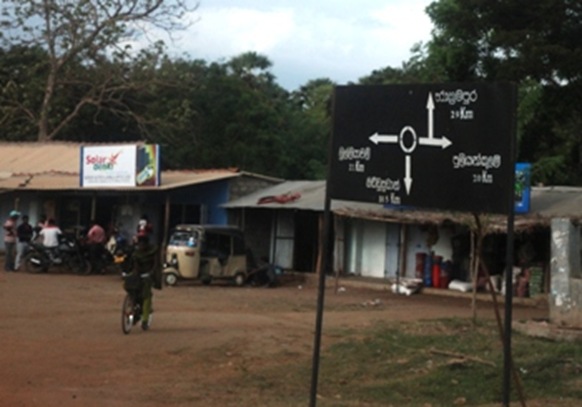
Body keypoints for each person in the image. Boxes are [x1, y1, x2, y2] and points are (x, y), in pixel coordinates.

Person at [130, 235, 161, 330]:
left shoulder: (153, 251)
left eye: (143, 244)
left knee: (146, 296)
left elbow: (156, 264)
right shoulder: (136, 253)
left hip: (150, 274)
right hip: (139, 273)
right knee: (131, 288)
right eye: (140, 244)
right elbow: (135, 265)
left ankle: (145, 320)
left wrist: (151, 273)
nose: (141, 246)